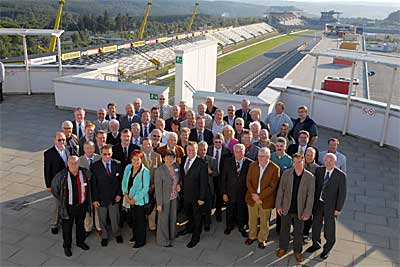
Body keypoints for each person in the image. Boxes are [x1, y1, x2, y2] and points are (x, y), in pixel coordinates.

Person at [276, 153, 315, 263]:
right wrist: (278, 205)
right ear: (292, 162)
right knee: (284, 230)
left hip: (300, 210)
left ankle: (298, 251)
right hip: (286, 208)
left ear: (303, 162)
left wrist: (307, 212)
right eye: (295, 162)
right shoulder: (286, 174)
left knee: (299, 232)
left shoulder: (310, 177)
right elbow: (281, 191)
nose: (297, 164)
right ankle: (283, 248)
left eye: (299, 162)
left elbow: (310, 196)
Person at [306, 153, 347, 260]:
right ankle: (315, 244)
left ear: (335, 162)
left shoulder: (341, 175)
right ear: (324, 161)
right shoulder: (319, 171)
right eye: (327, 160)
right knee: (316, 225)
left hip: (331, 207)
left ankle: (327, 248)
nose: (328, 162)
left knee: (329, 229)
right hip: (318, 204)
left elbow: (342, 194)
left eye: (331, 161)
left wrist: (338, 209)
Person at [51, 156, 91, 257]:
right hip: (68, 207)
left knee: (80, 226)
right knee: (67, 229)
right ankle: (67, 246)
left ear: (79, 163)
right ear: (67, 164)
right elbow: (55, 189)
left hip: (81, 205)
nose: (74, 165)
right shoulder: (62, 175)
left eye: (76, 163)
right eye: (71, 163)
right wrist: (63, 200)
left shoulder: (84, 173)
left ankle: (80, 242)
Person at [245, 147, 280, 249]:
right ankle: (252, 236)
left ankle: (262, 239)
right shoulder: (252, 165)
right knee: (252, 219)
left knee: (265, 221)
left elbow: (272, 186)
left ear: (268, 157)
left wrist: (260, 197)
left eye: (262, 156)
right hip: (252, 198)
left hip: (265, 200)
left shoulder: (275, 168)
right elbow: (248, 181)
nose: (260, 158)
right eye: (259, 156)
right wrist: (254, 196)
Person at [91, 145, 123, 247]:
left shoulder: (117, 164)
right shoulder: (95, 166)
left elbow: (120, 181)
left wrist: (119, 194)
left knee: (115, 218)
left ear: (112, 154)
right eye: (105, 154)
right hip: (101, 198)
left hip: (114, 197)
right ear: (101, 154)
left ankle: (117, 234)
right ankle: (104, 236)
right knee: (102, 219)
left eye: (109, 154)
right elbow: (93, 185)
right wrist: (95, 199)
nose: (107, 156)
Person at [178, 142, 208, 248]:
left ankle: (196, 236)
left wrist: (201, 198)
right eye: (189, 150)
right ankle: (189, 228)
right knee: (188, 214)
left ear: (196, 150)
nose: (190, 152)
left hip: (197, 196)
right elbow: (183, 176)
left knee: (197, 216)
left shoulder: (201, 163)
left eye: (193, 150)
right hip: (186, 195)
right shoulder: (183, 159)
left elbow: (204, 182)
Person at [221, 144, 253, 237]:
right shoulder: (227, 162)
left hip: (243, 193)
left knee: (242, 210)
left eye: (241, 151)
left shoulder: (250, 163)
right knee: (230, 209)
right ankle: (229, 226)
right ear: (233, 152)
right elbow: (223, 178)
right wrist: (224, 193)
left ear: (244, 152)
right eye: (237, 151)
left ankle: (242, 227)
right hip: (230, 192)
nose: (239, 153)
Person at [122, 150, 151, 248]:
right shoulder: (128, 168)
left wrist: (133, 199)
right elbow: (124, 182)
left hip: (139, 201)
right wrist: (125, 194)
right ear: (131, 160)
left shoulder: (145, 172)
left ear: (141, 160)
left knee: (140, 222)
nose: (136, 162)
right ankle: (135, 236)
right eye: (134, 159)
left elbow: (145, 189)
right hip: (128, 198)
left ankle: (141, 241)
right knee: (133, 220)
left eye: (138, 159)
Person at [155, 150, 181, 247]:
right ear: (163, 158)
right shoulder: (159, 170)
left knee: (173, 217)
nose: (169, 159)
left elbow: (179, 179)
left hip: (174, 197)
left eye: (171, 157)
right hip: (164, 199)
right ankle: (163, 241)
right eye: (167, 157)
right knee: (163, 220)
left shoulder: (176, 167)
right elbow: (158, 189)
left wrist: (179, 185)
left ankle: (171, 235)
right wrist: (159, 204)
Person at [44, 132, 68, 235]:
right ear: (54, 140)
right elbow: (46, 170)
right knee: (57, 204)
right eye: (59, 140)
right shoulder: (49, 153)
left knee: (66, 202)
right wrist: (48, 185)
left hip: (67, 181)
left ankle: (63, 220)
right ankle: (55, 223)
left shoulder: (68, 150)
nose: (61, 142)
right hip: (56, 183)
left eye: (63, 140)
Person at [78, 141, 102, 236]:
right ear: (84, 149)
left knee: (97, 208)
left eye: (91, 148)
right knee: (87, 209)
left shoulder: (99, 158)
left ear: (94, 149)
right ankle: (88, 227)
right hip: (85, 189)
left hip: (97, 188)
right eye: (87, 148)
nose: (89, 150)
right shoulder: (79, 160)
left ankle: (99, 227)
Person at [207, 133, 231, 222]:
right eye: (216, 142)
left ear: (222, 142)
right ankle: (208, 212)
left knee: (219, 195)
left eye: (219, 142)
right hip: (210, 176)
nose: (217, 144)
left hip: (221, 176)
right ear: (213, 141)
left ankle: (218, 212)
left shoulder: (227, 151)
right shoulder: (208, 149)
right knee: (210, 194)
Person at [270, 137, 292, 234]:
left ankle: (279, 228)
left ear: (285, 147)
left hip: (282, 188)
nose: (279, 148)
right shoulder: (271, 156)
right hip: (271, 187)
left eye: (281, 146)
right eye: (277, 146)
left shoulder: (289, 160)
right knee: (268, 207)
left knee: (280, 208)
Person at [141, 137, 163, 231]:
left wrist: (154, 185)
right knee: (142, 206)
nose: (147, 146)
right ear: (142, 145)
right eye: (145, 144)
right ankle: (142, 225)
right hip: (142, 187)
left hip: (154, 186)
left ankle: (152, 226)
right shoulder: (139, 156)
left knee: (153, 207)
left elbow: (161, 170)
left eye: (149, 144)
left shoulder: (157, 156)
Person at [197, 141, 218, 231]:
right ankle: (199, 222)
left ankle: (207, 223)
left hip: (208, 187)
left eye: (204, 150)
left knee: (208, 206)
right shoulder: (195, 160)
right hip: (198, 187)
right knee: (198, 207)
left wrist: (211, 172)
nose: (202, 151)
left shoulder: (212, 159)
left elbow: (216, 173)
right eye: (201, 150)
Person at [303, 146, 319, 240]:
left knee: (308, 215)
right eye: (307, 155)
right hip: (300, 194)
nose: (308, 157)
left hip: (311, 196)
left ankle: (306, 232)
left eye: (311, 155)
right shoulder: (301, 164)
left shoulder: (317, 168)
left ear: (314, 156)